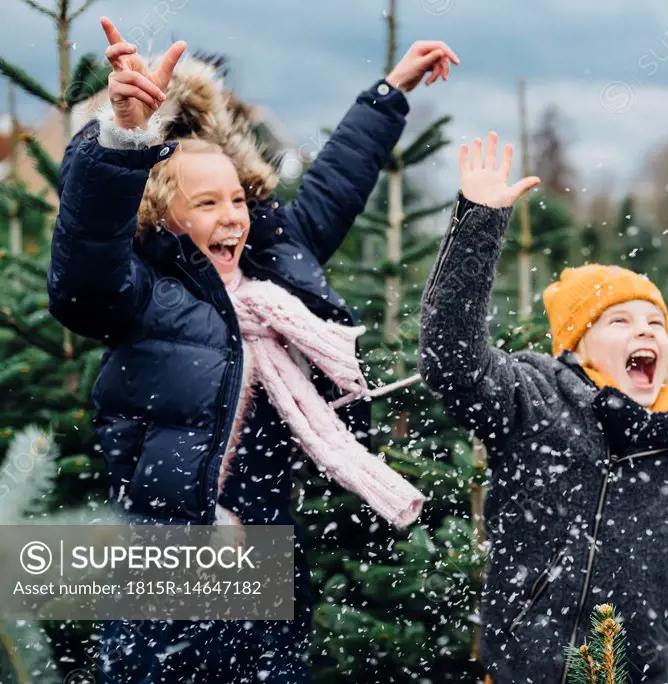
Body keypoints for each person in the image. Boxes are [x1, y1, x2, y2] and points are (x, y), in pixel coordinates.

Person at [48, 16, 458, 683]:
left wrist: (389, 95)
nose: (232, 215)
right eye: (206, 203)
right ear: (161, 216)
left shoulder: (274, 274)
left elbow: (332, 188)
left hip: (266, 548)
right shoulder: (143, 291)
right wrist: (124, 140)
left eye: (238, 197)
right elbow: (84, 260)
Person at [418, 132, 668, 683]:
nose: (646, 332)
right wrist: (477, 224)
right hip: (531, 669)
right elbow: (453, 361)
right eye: (620, 322)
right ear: (575, 345)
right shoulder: (532, 400)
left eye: (655, 323)